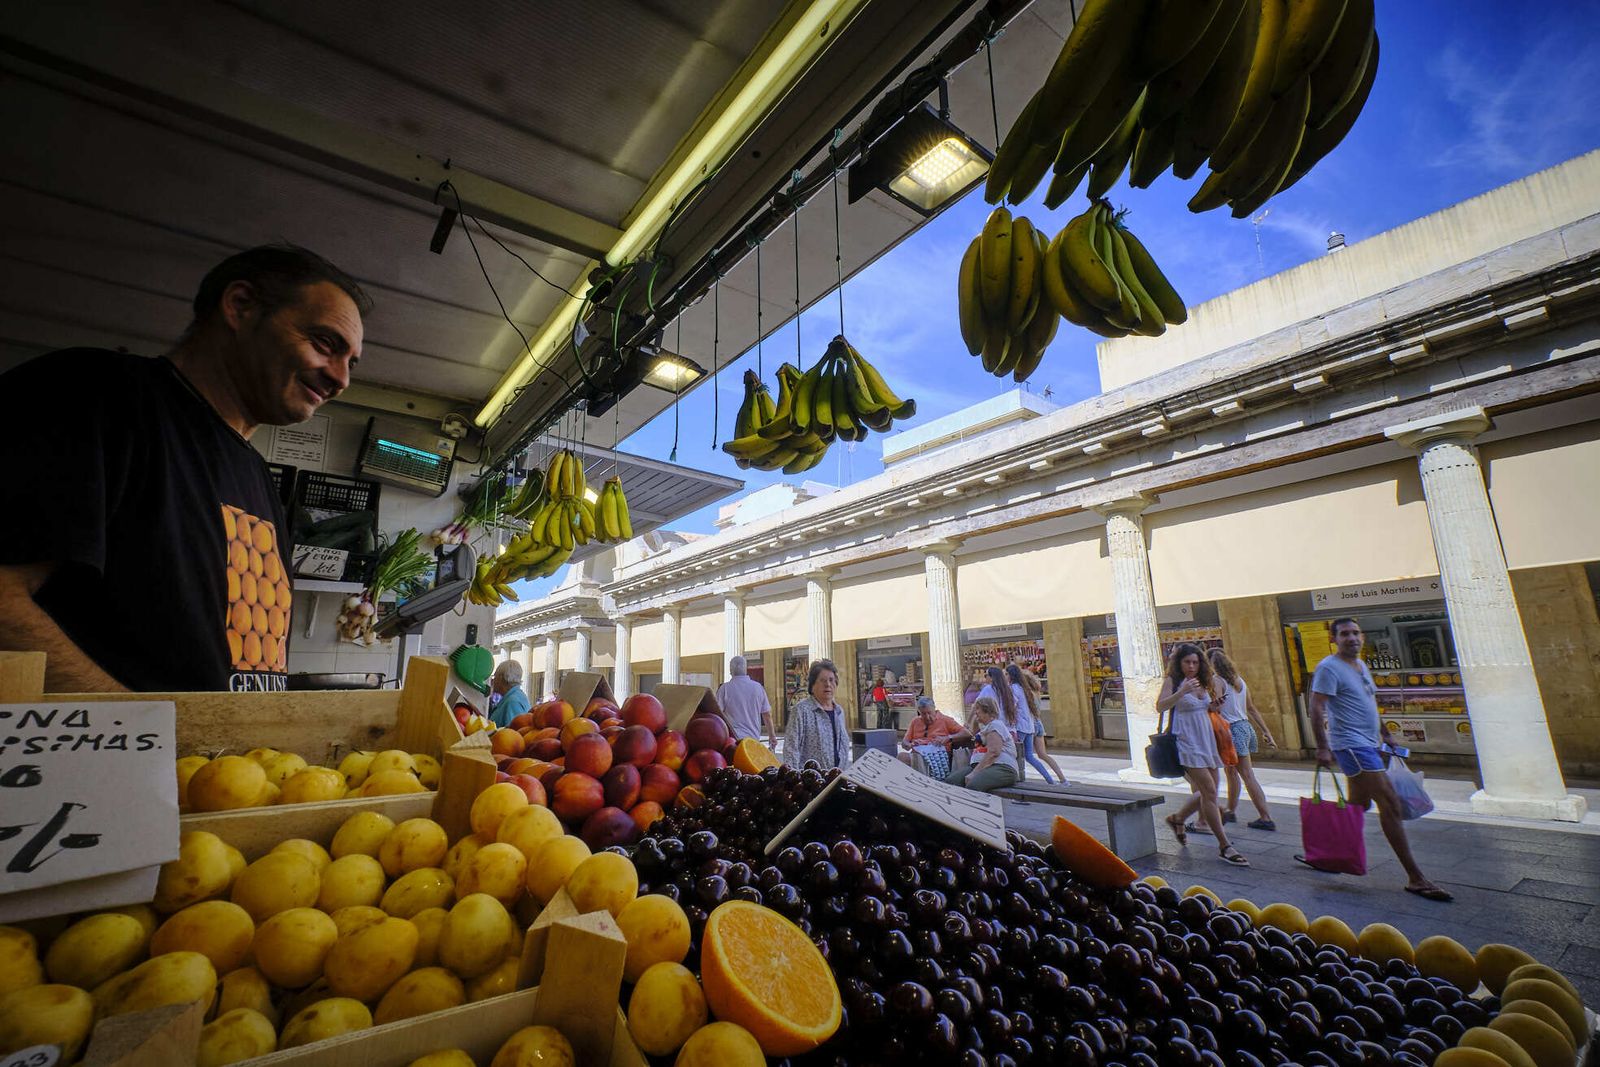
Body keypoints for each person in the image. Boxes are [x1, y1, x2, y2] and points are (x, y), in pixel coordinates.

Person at [0, 245, 369, 693]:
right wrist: (145, 738)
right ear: (240, 306)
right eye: (325, 344)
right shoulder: (96, 395)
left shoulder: (255, 473)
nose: (341, 379)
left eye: (350, 363)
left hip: (223, 762)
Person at [1309, 618, 1452, 901]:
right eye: (1345, 634)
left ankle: (1325, 853)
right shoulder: (1328, 667)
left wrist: (1386, 734)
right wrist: (1322, 747)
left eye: (1355, 633)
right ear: (1334, 639)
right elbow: (1316, 706)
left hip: (1369, 743)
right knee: (1389, 802)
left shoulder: (1361, 666)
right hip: (1350, 745)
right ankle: (1416, 877)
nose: (1352, 638)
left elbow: (1369, 704)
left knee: (1359, 804)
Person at [1158, 643, 1249, 867]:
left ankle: (1178, 818)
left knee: (1209, 792)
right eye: (1187, 662)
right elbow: (1160, 706)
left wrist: (1215, 705)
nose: (1191, 666)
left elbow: (1206, 710)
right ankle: (1224, 845)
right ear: (1179, 663)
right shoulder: (1174, 681)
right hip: (1186, 741)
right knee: (1209, 791)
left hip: (1207, 741)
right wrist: (1182, 692)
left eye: (1195, 662)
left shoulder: (1205, 682)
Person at [1208, 648, 1278, 830]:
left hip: (1231, 730)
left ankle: (1265, 817)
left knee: (1246, 775)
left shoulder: (1217, 680)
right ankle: (1231, 810)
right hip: (1245, 727)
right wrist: (1266, 731)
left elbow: (1215, 707)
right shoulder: (1240, 681)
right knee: (1232, 773)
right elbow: (1252, 708)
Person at [980, 665, 1055, 783]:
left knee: (1012, 754)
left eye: (1006, 674)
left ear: (1010, 675)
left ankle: (1015, 777)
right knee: (1030, 756)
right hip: (1029, 727)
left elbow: (1011, 706)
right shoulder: (1024, 688)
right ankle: (1051, 780)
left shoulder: (1013, 688)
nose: (1005, 677)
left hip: (1019, 727)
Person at [783, 659, 852, 770]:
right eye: (822, 680)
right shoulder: (801, 710)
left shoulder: (839, 711)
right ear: (813, 685)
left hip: (836, 779)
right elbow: (791, 749)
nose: (828, 684)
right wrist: (794, 778)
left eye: (831, 680)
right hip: (811, 781)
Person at [1010, 662, 1068, 785]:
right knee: (1041, 755)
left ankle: (1018, 778)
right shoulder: (1034, 693)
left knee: (1019, 754)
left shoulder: (1020, 691)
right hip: (1036, 724)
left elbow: (1014, 707)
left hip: (1027, 725)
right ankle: (1061, 778)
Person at [945, 696, 1018, 793]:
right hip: (981, 766)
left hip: (1001, 767)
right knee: (952, 781)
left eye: (978, 709)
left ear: (986, 710)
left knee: (973, 786)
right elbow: (970, 731)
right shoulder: (985, 728)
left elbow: (994, 752)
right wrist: (972, 721)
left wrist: (974, 773)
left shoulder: (996, 725)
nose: (976, 712)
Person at [897, 695, 970, 777]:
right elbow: (904, 743)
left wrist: (948, 738)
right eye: (923, 714)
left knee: (905, 758)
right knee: (901, 756)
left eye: (929, 713)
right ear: (919, 712)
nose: (927, 717)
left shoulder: (945, 720)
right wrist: (910, 745)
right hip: (917, 754)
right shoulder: (915, 721)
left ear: (934, 709)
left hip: (937, 757)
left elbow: (966, 733)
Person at [717, 654, 777, 749]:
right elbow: (767, 715)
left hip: (733, 740)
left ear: (730, 671)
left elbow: (717, 714)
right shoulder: (758, 688)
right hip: (752, 738)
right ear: (746, 669)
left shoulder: (724, 689)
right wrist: (772, 736)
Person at [489, 660, 531, 729]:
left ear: (500, 678)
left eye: (494, 676)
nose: (492, 681)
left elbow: (512, 733)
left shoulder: (513, 702)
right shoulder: (516, 696)